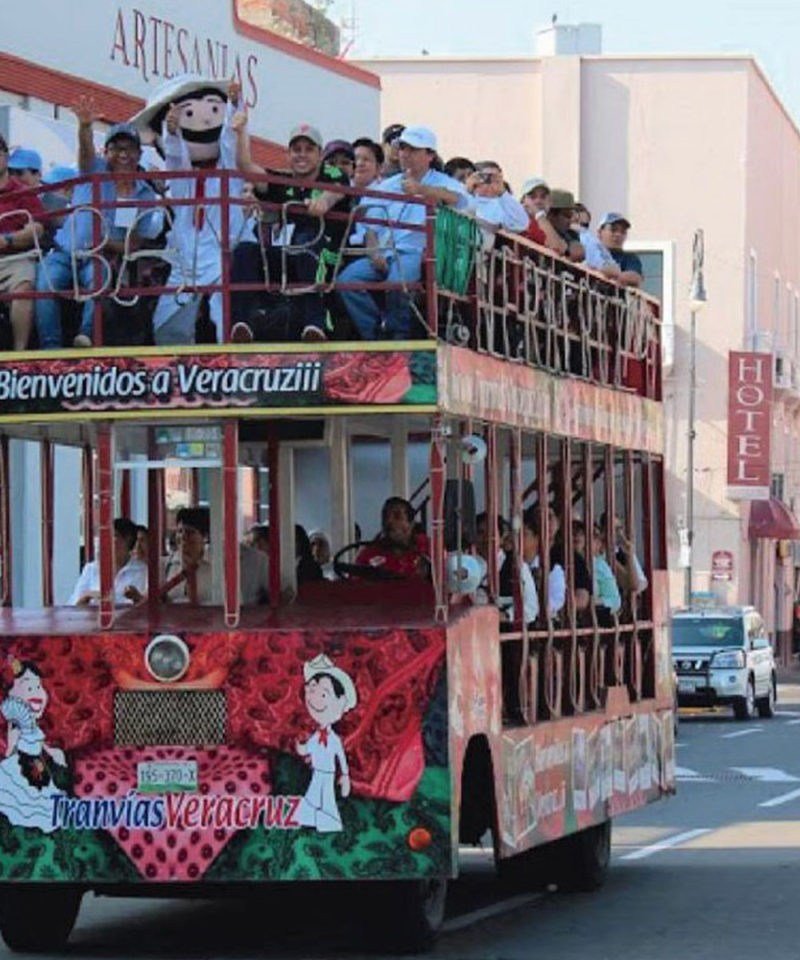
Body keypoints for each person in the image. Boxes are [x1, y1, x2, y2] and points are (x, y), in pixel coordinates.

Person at [35, 98, 161, 348]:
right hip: (64, 251)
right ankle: (51, 347)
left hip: (99, 257)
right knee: (44, 286)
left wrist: (104, 243)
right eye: (117, 148)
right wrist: (85, 127)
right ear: (106, 152)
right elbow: (85, 154)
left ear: (138, 154)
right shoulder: (95, 170)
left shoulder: (145, 194)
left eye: (129, 149)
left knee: (99, 282)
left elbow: (133, 244)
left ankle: (86, 337)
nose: (123, 155)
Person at [338, 125, 469, 340]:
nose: (405, 154)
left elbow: (459, 199)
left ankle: (398, 335)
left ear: (430, 155)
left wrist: (421, 190)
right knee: (347, 281)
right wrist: (374, 252)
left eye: (413, 149)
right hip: (384, 252)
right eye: (402, 148)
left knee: (397, 283)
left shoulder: (444, 182)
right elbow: (370, 226)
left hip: (415, 252)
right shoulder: (385, 186)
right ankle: (375, 334)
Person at [231, 117, 352, 342]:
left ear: (319, 154)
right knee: (244, 251)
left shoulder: (334, 174)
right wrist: (240, 133)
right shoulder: (283, 180)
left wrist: (323, 202)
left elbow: (335, 192)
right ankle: (242, 324)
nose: (302, 155)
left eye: (309, 149)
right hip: (288, 255)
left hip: (326, 255)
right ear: (288, 155)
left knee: (306, 242)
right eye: (296, 150)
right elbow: (246, 168)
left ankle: (314, 325)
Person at [0, 659, 69, 833]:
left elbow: (39, 742)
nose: (36, 692)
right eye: (28, 688)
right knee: (25, 799)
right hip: (21, 765)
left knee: (44, 795)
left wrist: (52, 752)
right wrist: (9, 756)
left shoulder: (33, 724)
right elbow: (11, 748)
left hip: (38, 765)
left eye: (38, 686)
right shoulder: (16, 723)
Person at [296, 653, 356, 833]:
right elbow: (309, 748)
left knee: (326, 798)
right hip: (317, 772)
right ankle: (307, 818)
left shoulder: (334, 739)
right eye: (311, 692)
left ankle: (329, 822)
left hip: (328, 773)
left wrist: (345, 776)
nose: (315, 700)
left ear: (341, 702)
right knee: (313, 795)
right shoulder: (316, 735)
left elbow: (341, 757)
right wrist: (301, 748)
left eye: (323, 694)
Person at [0, 133, 46, 350]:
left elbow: (37, 228)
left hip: (16, 257)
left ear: (5, 156)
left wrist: (8, 240)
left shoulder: (23, 192)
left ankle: (20, 354)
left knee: (24, 286)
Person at [68, 517, 147, 605]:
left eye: (113, 536)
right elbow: (73, 605)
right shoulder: (91, 569)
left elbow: (148, 606)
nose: (106, 541)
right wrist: (88, 595)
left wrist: (136, 597)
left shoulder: (143, 571)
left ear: (128, 539)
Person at [356, 496, 430, 578]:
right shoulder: (369, 554)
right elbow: (355, 582)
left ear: (411, 523)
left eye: (397, 516)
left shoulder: (427, 547)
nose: (389, 521)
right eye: (385, 517)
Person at [465, 161, 529, 247]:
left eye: (495, 177)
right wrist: (468, 190)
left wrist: (502, 192)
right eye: (485, 176)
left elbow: (520, 225)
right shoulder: (465, 195)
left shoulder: (502, 204)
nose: (490, 181)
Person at [596, 212, 643, 287]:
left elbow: (635, 278)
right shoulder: (591, 253)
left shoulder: (629, 257)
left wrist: (613, 273)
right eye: (613, 230)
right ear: (599, 233)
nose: (618, 234)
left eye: (623, 232)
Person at [572, 203, 618, 274]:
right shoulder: (572, 236)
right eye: (576, 222)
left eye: (584, 225)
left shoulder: (591, 239)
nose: (580, 227)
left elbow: (611, 266)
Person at [592, 525, 622, 626]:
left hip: (596, 618)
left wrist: (595, 602)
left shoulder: (599, 565)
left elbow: (615, 600)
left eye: (594, 536)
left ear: (599, 543)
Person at [544, 189, 584, 262]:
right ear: (551, 215)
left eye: (571, 215)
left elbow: (578, 253)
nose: (570, 220)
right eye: (567, 215)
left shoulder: (571, 234)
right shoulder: (540, 229)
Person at [519, 177, 549, 246]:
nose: (538, 201)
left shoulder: (548, 220)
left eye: (543, 197)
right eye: (533, 197)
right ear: (523, 200)